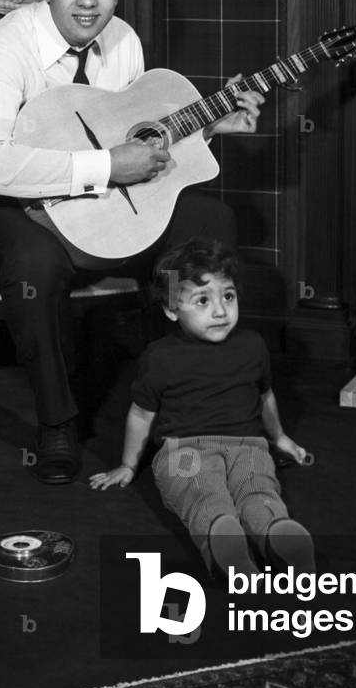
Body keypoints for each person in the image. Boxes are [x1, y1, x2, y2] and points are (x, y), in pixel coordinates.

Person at [0, 0, 265, 485]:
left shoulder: (122, 39)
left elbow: (135, 139)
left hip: (96, 204)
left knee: (210, 219)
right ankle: (57, 421)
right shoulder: (4, 47)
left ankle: (191, 396)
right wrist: (105, 166)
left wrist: (211, 129)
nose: (88, 2)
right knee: (34, 263)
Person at [90, 238, 314, 580]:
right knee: (204, 491)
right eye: (202, 300)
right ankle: (229, 544)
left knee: (256, 488)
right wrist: (127, 464)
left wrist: (280, 437)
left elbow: (265, 395)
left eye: (228, 296)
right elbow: (141, 413)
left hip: (245, 445)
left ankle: (275, 533)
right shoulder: (160, 357)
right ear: (171, 310)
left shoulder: (253, 346)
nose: (221, 311)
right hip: (188, 448)